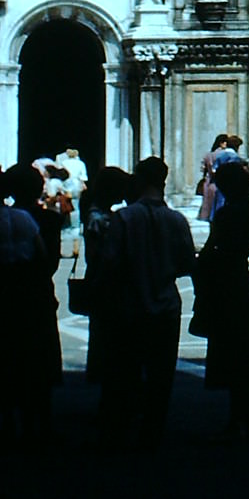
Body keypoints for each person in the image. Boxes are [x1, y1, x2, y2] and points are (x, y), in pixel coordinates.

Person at [99, 156, 196, 449]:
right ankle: (153, 430)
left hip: (129, 305)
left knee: (126, 370)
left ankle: (122, 427)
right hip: (165, 305)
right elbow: (186, 263)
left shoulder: (124, 219)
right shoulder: (176, 220)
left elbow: (110, 262)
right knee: (161, 374)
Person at [194, 158, 249, 442]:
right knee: (246, 351)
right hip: (241, 279)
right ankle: (243, 416)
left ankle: (237, 416)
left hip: (226, 282)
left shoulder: (228, 214)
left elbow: (215, 245)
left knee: (233, 349)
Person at [0, 164, 60, 444]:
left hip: (7, 297)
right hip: (37, 296)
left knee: (9, 360)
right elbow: (49, 261)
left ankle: (10, 423)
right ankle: (41, 425)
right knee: (39, 362)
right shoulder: (48, 220)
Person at [80, 165, 131, 443]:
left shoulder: (99, 215)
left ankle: (110, 402)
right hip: (107, 285)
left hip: (101, 282)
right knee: (112, 343)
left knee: (107, 342)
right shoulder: (101, 219)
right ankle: (112, 405)